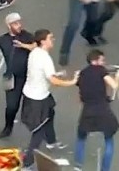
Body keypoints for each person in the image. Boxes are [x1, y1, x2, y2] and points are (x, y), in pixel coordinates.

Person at [21, 29, 78, 170]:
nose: (53, 40)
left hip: (33, 93)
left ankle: (51, 141)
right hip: (38, 98)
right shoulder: (45, 58)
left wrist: (56, 74)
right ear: (43, 41)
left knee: (50, 114)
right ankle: (28, 163)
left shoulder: (35, 52)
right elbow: (53, 81)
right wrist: (72, 81)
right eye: (50, 38)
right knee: (38, 131)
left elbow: (42, 73)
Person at [0, 13, 36, 139]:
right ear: (9, 25)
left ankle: (36, 128)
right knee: (11, 106)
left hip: (28, 76)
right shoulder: (3, 39)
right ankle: (8, 128)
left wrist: (23, 45)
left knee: (32, 104)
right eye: (15, 24)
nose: (19, 25)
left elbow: (36, 46)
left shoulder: (26, 36)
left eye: (19, 22)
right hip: (11, 77)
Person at [73, 49, 119, 171]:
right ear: (95, 61)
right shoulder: (101, 70)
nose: (104, 62)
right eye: (102, 60)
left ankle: (78, 164)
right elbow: (114, 86)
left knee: (81, 137)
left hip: (87, 110)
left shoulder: (82, 73)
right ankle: (105, 169)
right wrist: (118, 78)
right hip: (103, 110)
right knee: (109, 139)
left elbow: (80, 96)